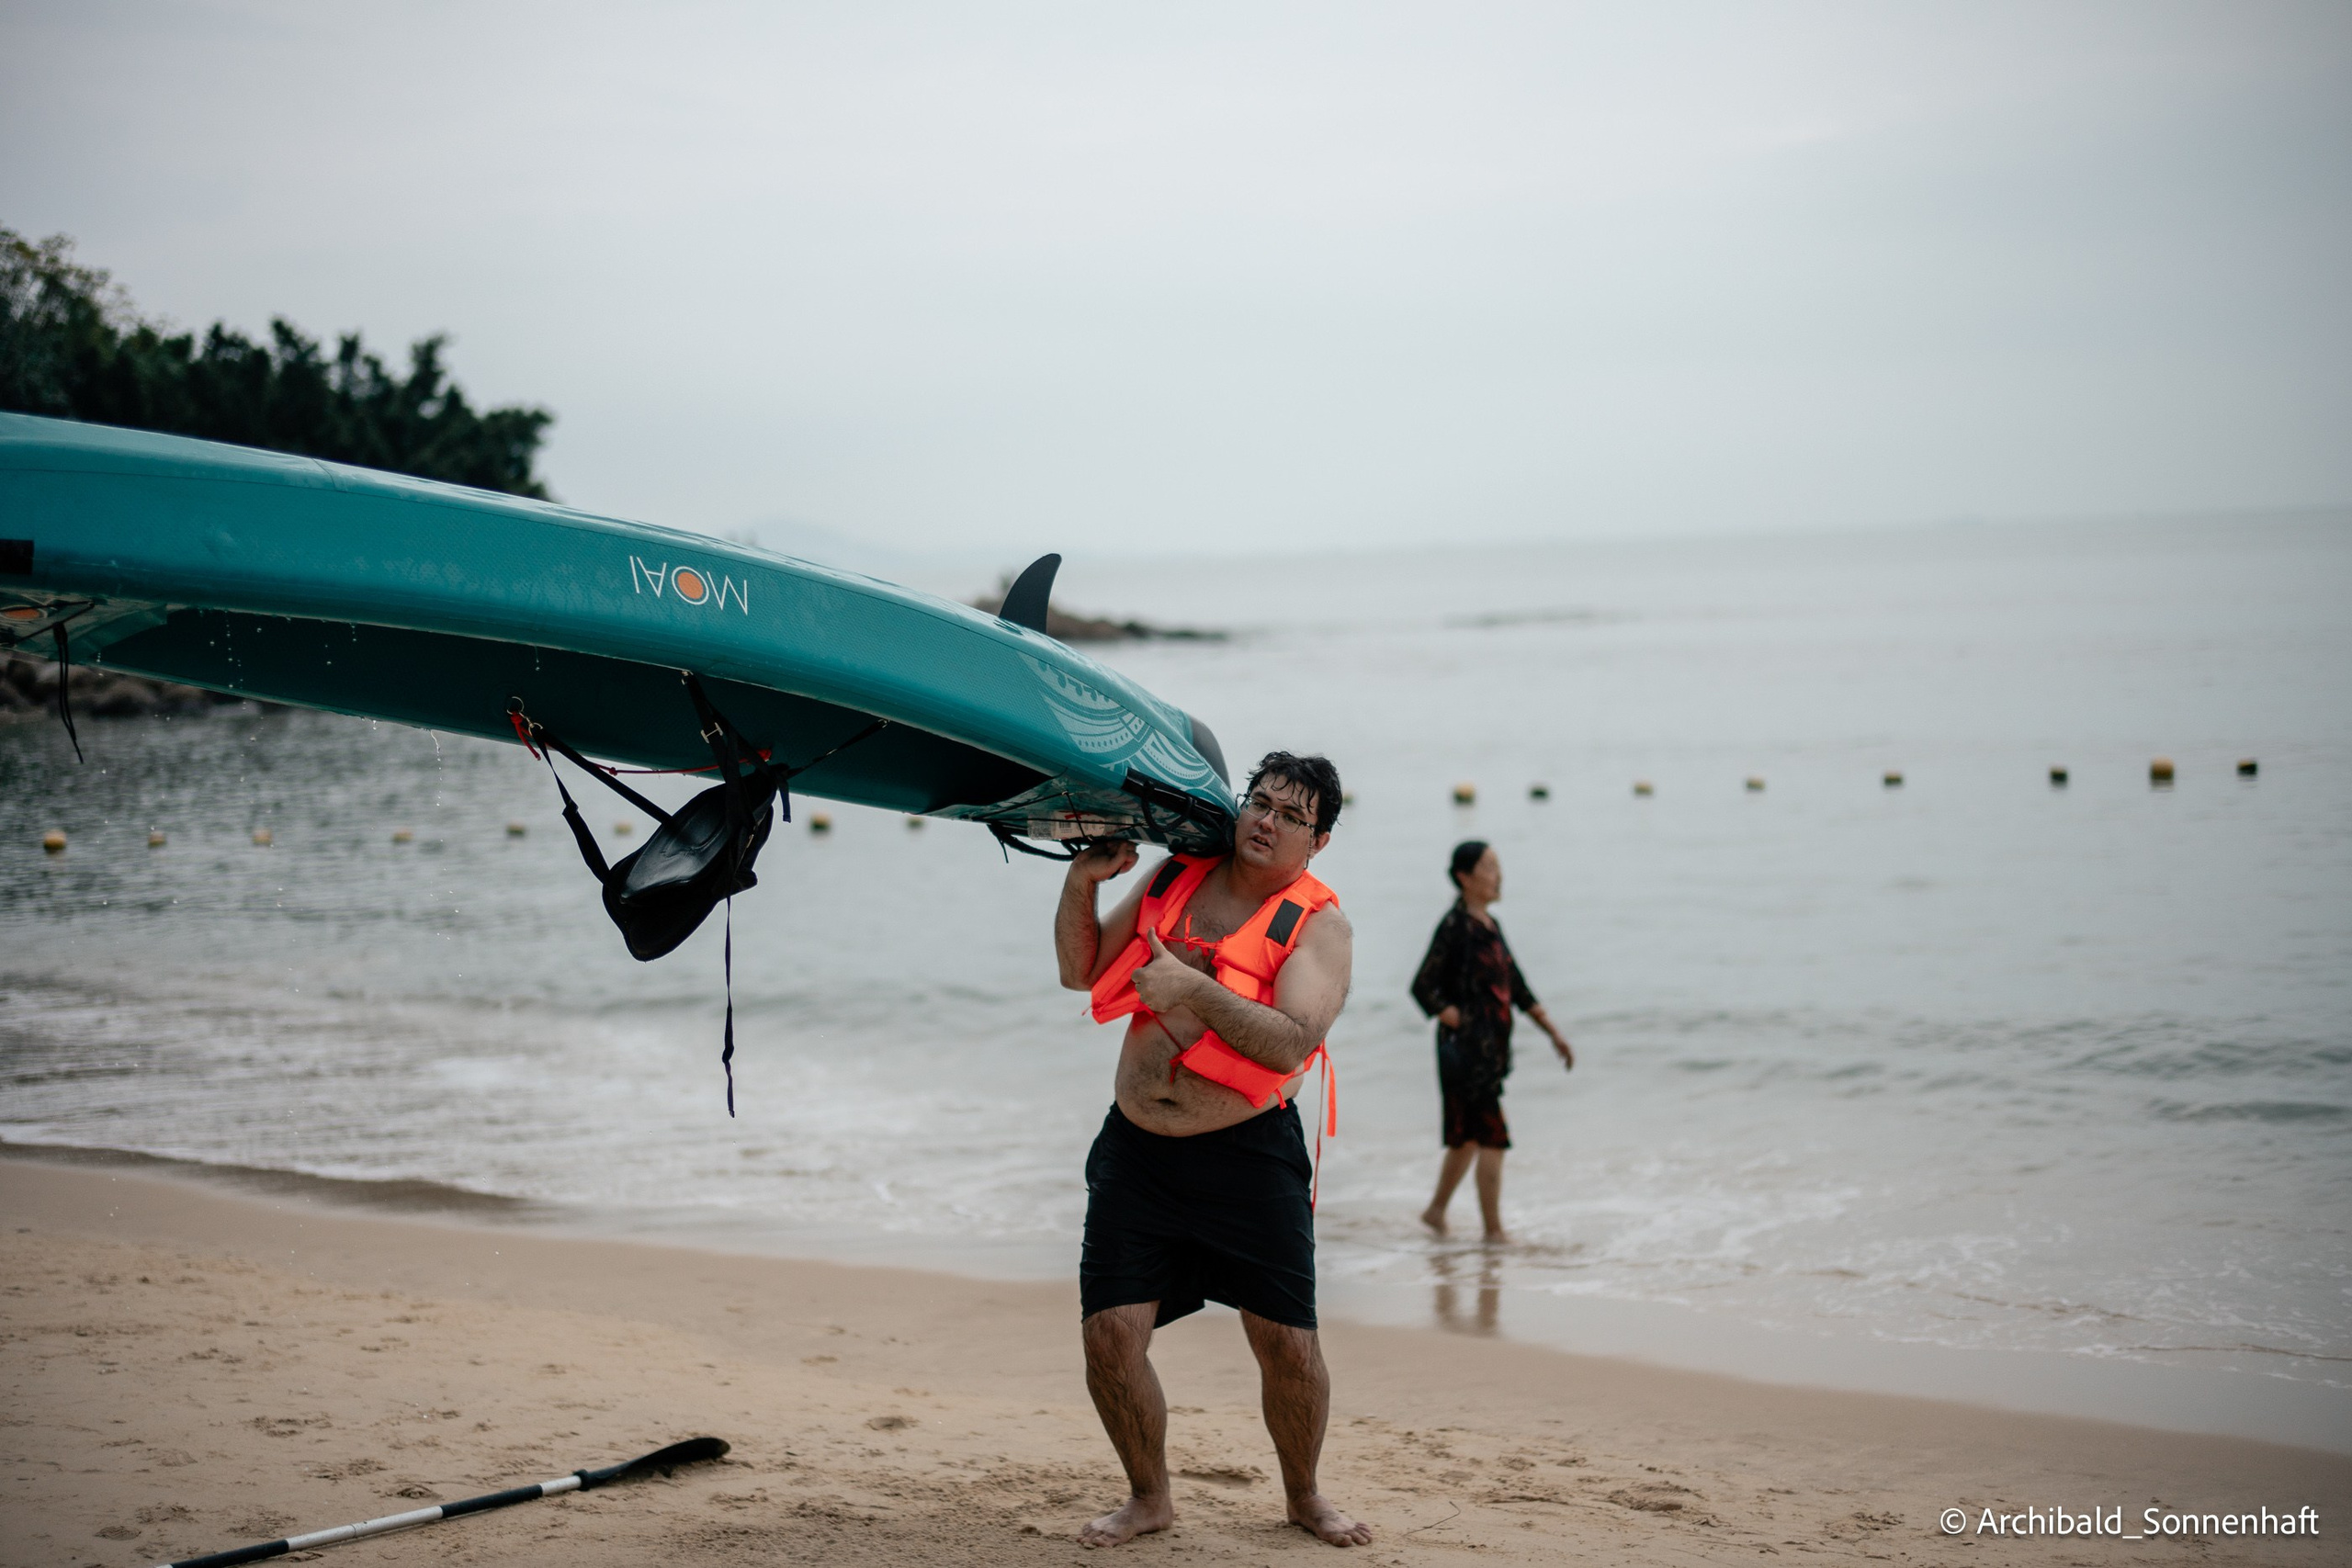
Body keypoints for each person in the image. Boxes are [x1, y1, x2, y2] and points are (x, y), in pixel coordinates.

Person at [1054, 751, 1372, 1550]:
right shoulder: (1175, 879)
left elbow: (1293, 1038)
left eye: (1290, 815)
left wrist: (1195, 988)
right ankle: (1148, 1497)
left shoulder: (1320, 926)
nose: (1266, 820)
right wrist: (1082, 882)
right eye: (1259, 802)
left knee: (1288, 1345)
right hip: (1136, 1151)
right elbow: (1077, 968)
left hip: (1248, 1157)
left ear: (1318, 840)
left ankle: (1304, 1494)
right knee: (1109, 1335)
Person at [1411, 840, 1572, 1242]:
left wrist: (1553, 1032)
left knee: (1466, 1140)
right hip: (1465, 1052)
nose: (1497, 875)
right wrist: (1458, 1019)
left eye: (1497, 866)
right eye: (1488, 866)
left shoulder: (1490, 925)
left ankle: (1435, 1212)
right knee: (1493, 1138)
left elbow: (1516, 985)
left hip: (1490, 1052)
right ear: (1464, 877)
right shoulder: (1456, 926)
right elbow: (1423, 986)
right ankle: (1494, 1232)